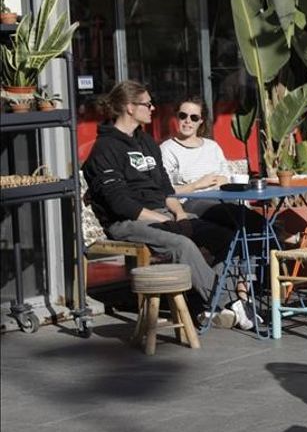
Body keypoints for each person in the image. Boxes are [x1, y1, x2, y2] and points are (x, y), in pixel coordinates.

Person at [82, 81, 255, 329]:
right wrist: (167, 221)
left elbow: (166, 190)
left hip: (163, 213)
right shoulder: (105, 148)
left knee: (225, 236)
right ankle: (231, 303)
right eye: (147, 103)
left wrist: (180, 214)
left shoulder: (148, 143)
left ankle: (210, 307)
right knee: (182, 244)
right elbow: (121, 205)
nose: (153, 108)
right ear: (130, 107)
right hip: (128, 222)